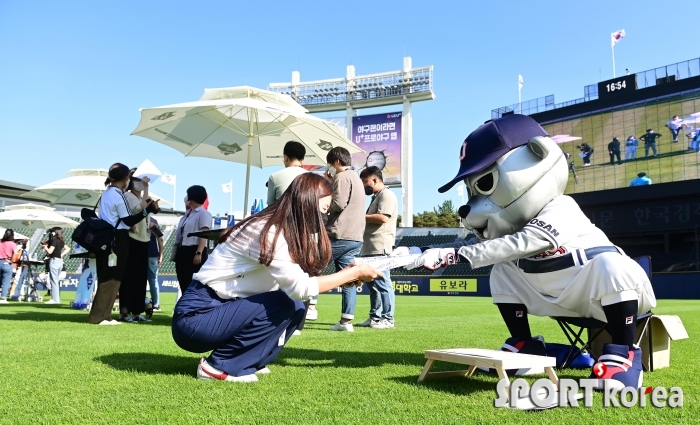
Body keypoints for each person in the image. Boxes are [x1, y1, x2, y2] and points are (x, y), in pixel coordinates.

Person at [171, 173, 380, 383]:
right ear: (307, 204)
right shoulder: (267, 231)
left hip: (219, 309)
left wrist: (346, 277)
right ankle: (220, 366)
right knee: (284, 301)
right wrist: (351, 273)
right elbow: (300, 287)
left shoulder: (280, 231)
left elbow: (298, 287)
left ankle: (250, 361)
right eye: (323, 210)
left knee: (296, 305)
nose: (325, 218)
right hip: (196, 316)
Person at [88, 163, 159, 325]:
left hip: (107, 236)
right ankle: (100, 317)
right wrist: (147, 212)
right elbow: (128, 219)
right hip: (117, 238)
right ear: (126, 178)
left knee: (109, 277)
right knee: (112, 278)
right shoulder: (118, 195)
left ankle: (104, 315)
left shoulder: (107, 192)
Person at [324, 147, 366, 332]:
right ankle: (346, 321)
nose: (330, 167)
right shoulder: (356, 177)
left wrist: (325, 198)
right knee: (348, 278)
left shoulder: (342, 177)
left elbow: (338, 204)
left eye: (330, 164)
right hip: (356, 236)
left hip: (340, 233)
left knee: (312, 267)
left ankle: (307, 311)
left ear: (337, 162)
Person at [354, 166, 398, 329]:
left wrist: (359, 215)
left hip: (380, 246)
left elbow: (382, 217)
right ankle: (375, 317)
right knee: (373, 284)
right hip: (371, 247)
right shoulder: (377, 196)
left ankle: (388, 318)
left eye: (365, 182)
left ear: (374, 180)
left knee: (383, 283)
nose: (364, 185)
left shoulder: (387, 194)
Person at [119, 171, 153, 323]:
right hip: (132, 239)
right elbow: (140, 209)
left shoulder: (140, 197)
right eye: (138, 180)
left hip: (144, 239)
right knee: (129, 277)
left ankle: (137, 311)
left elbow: (146, 211)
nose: (141, 182)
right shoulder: (128, 196)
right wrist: (146, 188)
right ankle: (124, 312)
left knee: (141, 278)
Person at [174, 185, 212, 294]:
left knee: (191, 282)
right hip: (183, 250)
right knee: (183, 280)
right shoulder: (187, 215)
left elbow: (204, 233)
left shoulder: (203, 213)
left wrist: (199, 252)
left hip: (194, 250)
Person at [266, 141, 308, 205]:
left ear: (286, 158)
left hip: (282, 214)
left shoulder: (274, 177)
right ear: (302, 160)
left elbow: (270, 207)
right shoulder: (313, 178)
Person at [40, 228, 70, 304]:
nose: (51, 233)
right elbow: (67, 249)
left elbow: (50, 251)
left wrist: (45, 247)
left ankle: (55, 300)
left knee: (53, 281)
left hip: (54, 261)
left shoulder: (54, 240)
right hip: (60, 261)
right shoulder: (60, 241)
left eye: (53, 232)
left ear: (55, 232)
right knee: (55, 281)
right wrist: (61, 255)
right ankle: (56, 299)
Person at [146, 217, 164, 316]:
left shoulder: (137, 218)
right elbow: (160, 239)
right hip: (152, 253)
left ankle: (141, 303)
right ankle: (156, 304)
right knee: (153, 280)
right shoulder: (154, 221)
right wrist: (161, 254)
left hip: (140, 253)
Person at [0, 229, 20, 303]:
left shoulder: (1, 242)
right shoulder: (12, 243)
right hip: (7, 262)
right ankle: (3, 298)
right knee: (6, 282)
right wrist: (11, 261)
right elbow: (16, 253)